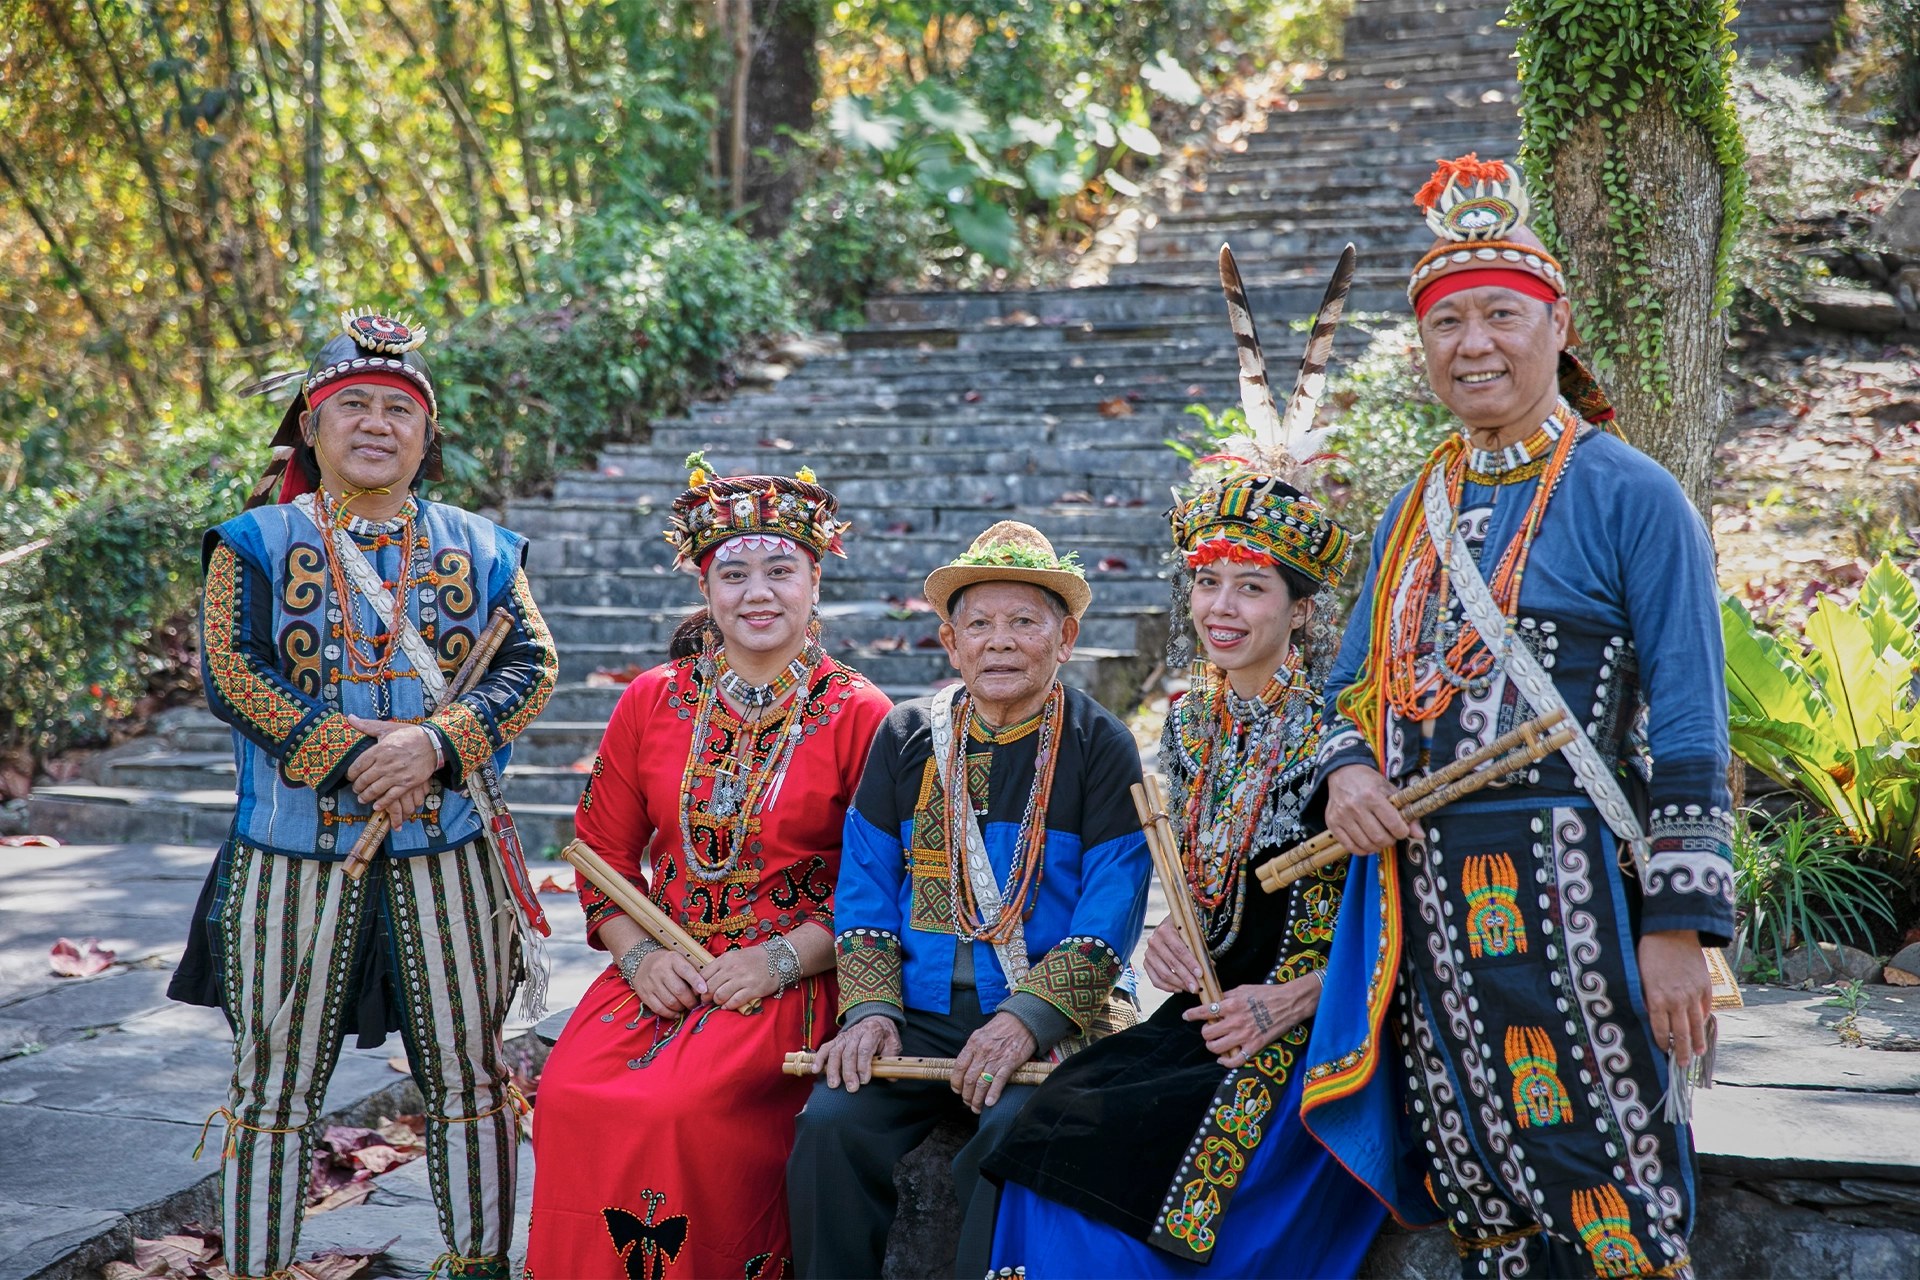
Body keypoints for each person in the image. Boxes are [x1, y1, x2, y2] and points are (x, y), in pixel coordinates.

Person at [1301, 156, 1733, 1278]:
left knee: (1614, 1192)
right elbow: (1349, 686)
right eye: (1448, 321)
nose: (1474, 343)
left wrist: (1678, 928)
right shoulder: (1419, 500)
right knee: (1482, 1189)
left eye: (1502, 314)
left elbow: (1690, 722)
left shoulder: (1631, 491)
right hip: (1426, 899)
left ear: (1558, 326)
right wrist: (1350, 774)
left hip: (1576, 885)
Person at [168, 310, 560, 1280]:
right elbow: (231, 670)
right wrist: (353, 753)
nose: (376, 423)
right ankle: (258, 1267)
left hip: (452, 845)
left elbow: (534, 663)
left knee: (469, 1075)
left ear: (427, 437)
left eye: (399, 408)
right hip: (289, 850)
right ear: (311, 424)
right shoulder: (251, 541)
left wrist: (437, 742)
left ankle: (476, 1263)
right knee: (273, 1082)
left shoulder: (485, 545)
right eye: (353, 405)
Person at [982, 463, 1386, 1277]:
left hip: (1312, 1030)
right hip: (1208, 1012)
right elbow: (1214, 883)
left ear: (1302, 611)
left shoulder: (1353, 739)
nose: (1221, 609)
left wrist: (1291, 999)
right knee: (1052, 1124)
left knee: (1127, 1181)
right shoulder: (1195, 722)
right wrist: (1180, 931)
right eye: (1207, 583)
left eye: (1252, 588)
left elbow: (1402, 925)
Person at [525, 458, 892, 1280]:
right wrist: (639, 956)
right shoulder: (650, 699)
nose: (757, 592)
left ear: (814, 582)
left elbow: (884, 886)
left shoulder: (861, 714)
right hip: (658, 963)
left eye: (780, 570)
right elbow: (601, 859)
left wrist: (776, 960)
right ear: (708, 590)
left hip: (790, 972)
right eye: (735, 574)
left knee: (677, 1109)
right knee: (570, 1094)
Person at [787, 521, 1153, 1280]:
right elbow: (863, 889)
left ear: (1066, 636)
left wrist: (1026, 1021)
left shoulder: (1099, 744)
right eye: (978, 625)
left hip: (1050, 1009)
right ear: (950, 645)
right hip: (916, 1011)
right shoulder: (906, 735)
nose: (1000, 642)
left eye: (1025, 622)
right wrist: (871, 1011)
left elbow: (1112, 908)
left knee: (1020, 1127)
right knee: (831, 1124)